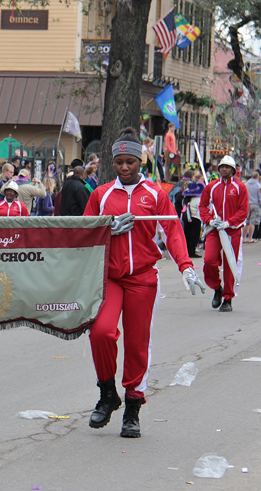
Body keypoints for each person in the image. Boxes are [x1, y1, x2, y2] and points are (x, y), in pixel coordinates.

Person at [83, 127, 205, 438]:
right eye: (120, 162)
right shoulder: (100, 195)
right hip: (109, 277)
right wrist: (105, 230)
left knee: (137, 344)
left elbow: (173, 232)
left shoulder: (156, 195)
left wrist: (186, 267)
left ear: (141, 162)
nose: (125, 167)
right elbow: (82, 233)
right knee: (100, 332)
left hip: (143, 280)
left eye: (131, 162)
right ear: (113, 163)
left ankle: (133, 408)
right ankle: (107, 394)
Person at [199, 155, 249, 312]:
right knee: (209, 260)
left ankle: (228, 298)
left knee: (230, 264)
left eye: (227, 167)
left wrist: (230, 222)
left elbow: (243, 210)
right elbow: (203, 206)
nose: (224, 169)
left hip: (232, 230)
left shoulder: (240, 187)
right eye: (221, 167)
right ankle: (216, 288)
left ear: (233, 170)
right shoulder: (211, 187)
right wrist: (209, 220)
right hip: (215, 229)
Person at [182, 181, 204, 257]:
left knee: (187, 235)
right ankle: (191, 251)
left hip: (186, 218)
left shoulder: (186, 198)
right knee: (194, 235)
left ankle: (187, 251)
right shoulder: (198, 198)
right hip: (196, 218)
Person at [245, 172, 261, 243]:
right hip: (255, 204)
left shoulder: (246, 184)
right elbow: (260, 197)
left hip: (247, 204)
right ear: (258, 177)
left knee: (246, 221)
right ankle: (250, 237)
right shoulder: (258, 185)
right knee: (252, 222)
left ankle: (244, 238)